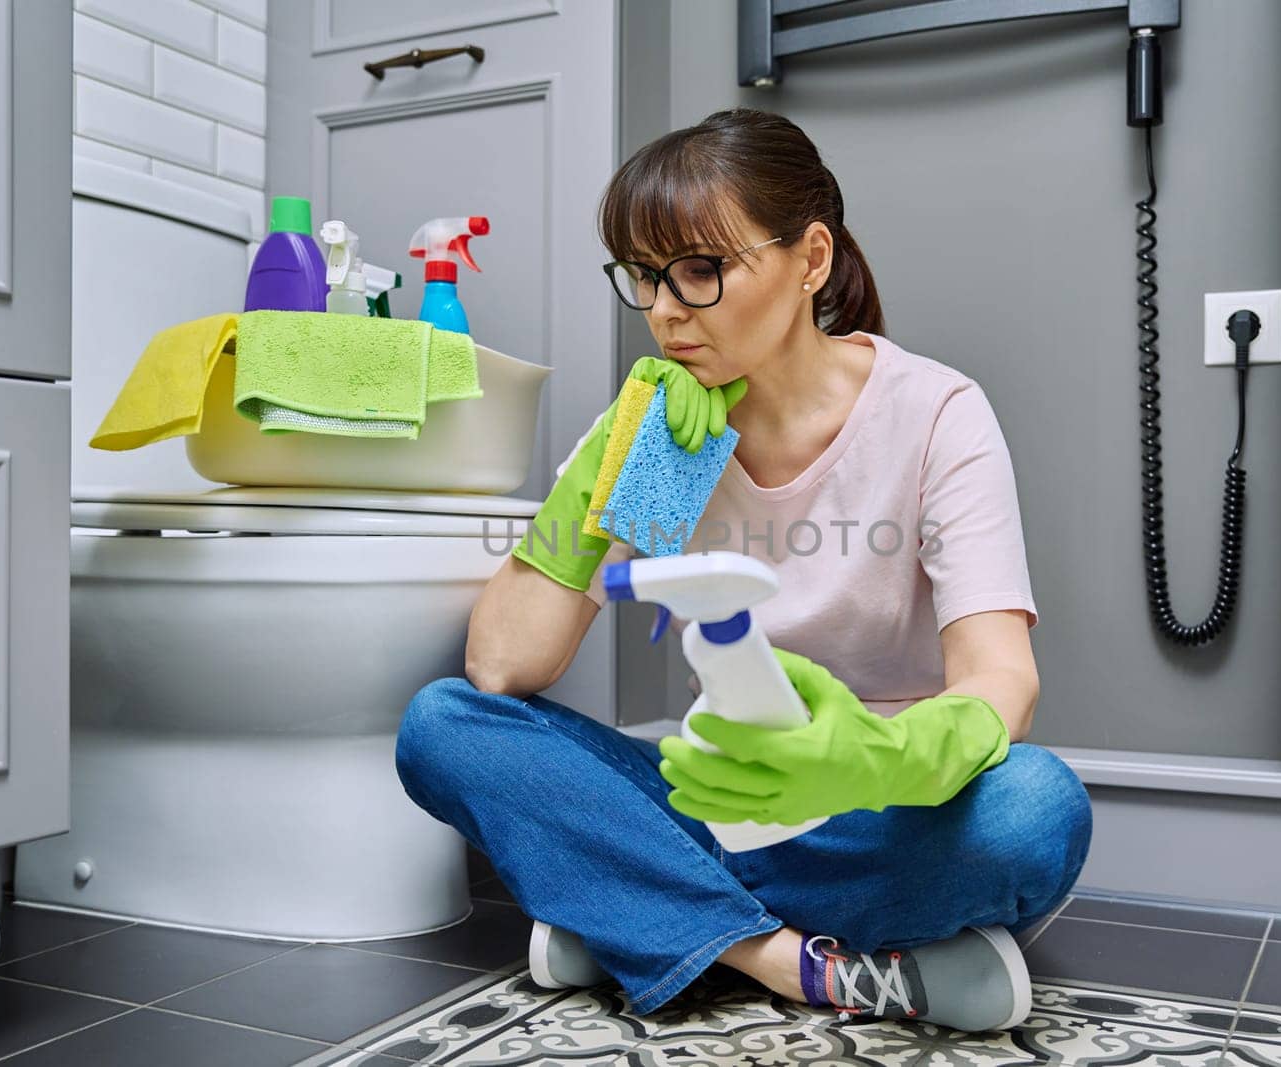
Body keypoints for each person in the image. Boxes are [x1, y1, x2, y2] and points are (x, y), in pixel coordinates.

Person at [395, 107, 1092, 1034]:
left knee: (1036, 809)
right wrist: (613, 458)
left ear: (810, 259)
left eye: (700, 270)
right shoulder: (663, 435)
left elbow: (1003, 678)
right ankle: (782, 959)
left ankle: (637, 919)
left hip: (873, 812)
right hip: (712, 803)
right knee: (444, 723)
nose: (665, 309)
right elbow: (504, 667)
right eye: (643, 276)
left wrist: (875, 758)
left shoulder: (935, 413)